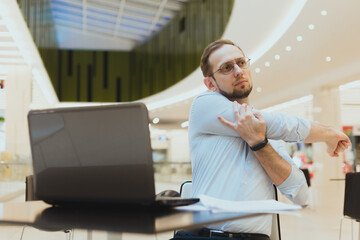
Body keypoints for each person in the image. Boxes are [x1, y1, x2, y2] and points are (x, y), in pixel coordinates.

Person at [172, 40, 351, 240]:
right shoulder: (204, 105)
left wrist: (260, 145)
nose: (238, 71)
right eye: (226, 68)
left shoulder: (272, 139)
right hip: (205, 236)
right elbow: (279, 124)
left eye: (241, 62)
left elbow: (301, 195)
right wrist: (328, 134)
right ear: (210, 83)